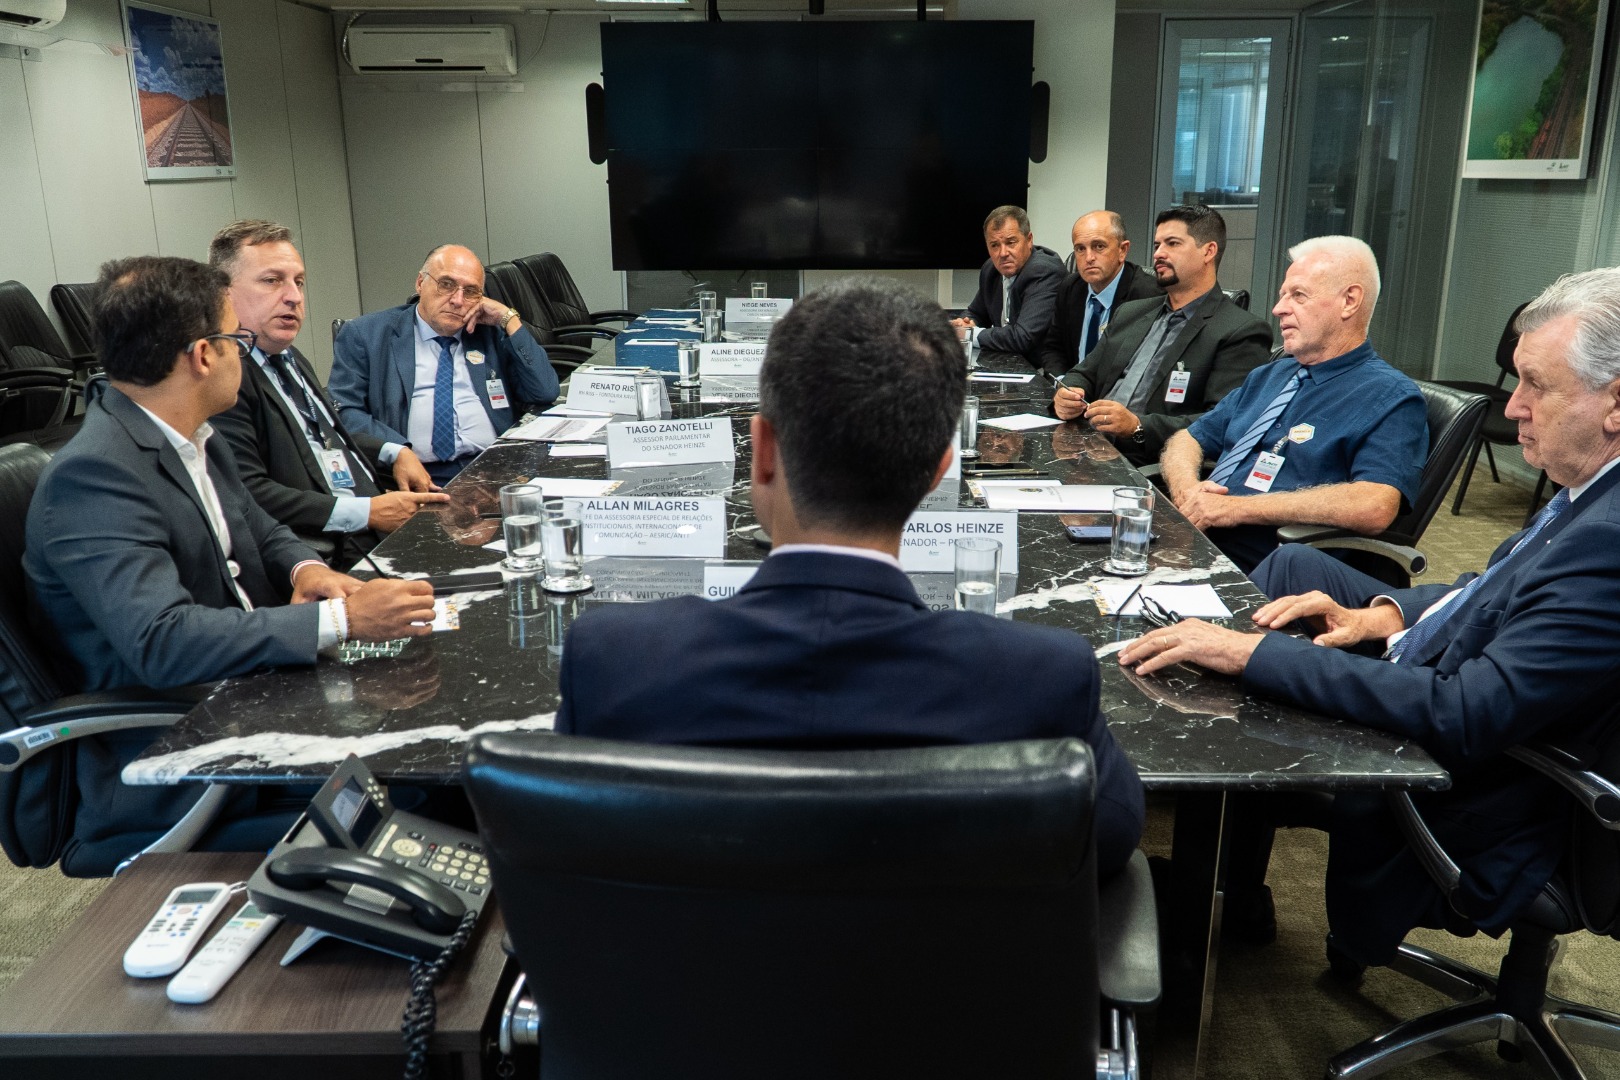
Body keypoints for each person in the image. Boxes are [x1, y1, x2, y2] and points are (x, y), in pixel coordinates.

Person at [555, 277, 1145, 878]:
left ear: (762, 450)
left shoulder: (610, 660)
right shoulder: (1042, 678)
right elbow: (1112, 838)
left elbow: (564, 862)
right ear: (938, 469)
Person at [1119, 265, 1620, 965]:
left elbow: (1466, 713)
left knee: (1258, 654)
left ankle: (1214, 880)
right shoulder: (1591, 495)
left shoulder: (1607, 538)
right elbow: (1491, 584)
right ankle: (1226, 868)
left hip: (1497, 794)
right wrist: (1384, 613)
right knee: (1294, 599)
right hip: (1473, 683)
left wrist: (1253, 657)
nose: (1512, 408)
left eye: (1535, 384)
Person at [24, 256, 436, 871]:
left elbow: (262, 529)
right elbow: (163, 642)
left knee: (428, 722)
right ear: (203, 355)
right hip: (181, 747)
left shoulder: (192, 434)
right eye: (236, 341)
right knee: (430, 780)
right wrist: (343, 624)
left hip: (252, 692)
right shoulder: (95, 477)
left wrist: (306, 572)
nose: (245, 354)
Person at [1156, 235, 1426, 573]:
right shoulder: (1272, 375)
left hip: (1262, 570)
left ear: (1349, 301)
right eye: (1283, 295)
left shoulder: (1391, 397)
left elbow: (1374, 504)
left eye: (1298, 295)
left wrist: (1233, 509)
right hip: (1192, 541)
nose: (1279, 308)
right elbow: (1189, 438)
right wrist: (1188, 492)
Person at [208, 221, 449, 567]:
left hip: (374, 531)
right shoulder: (224, 375)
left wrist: (392, 452)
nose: (293, 296)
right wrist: (366, 512)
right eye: (272, 280)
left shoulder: (287, 356)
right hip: (324, 555)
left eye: (298, 282)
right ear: (224, 293)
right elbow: (247, 492)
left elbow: (321, 438)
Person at [1050, 205, 1271, 464]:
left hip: (1146, 464)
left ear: (1208, 251)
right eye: (1157, 245)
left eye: (1172, 243)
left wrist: (1137, 426)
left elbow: (1222, 422)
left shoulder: (1240, 331)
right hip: (1085, 446)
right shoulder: (1132, 312)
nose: (1158, 254)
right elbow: (1084, 372)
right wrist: (1070, 392)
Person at [329, 244, 560, 482]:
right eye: (446, 284)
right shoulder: (366, 335)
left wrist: (508, 318)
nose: (458, 300)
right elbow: (344, 411)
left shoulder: (488, 332)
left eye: (471, 291)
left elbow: (544, 391)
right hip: (415, 477)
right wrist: (396, 450)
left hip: (495, 470)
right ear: (420, 283)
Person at [1033, 209, 1164, 378]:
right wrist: (1063, 383)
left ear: (1122, 250)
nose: (1088, 257)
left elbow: (1147, 367)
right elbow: (1053, 348)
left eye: (1099, 246)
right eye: (1080, 248)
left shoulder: (1149, 295)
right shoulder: (1071, 287)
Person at [951, 205, 1065, 366]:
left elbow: (1023, 337)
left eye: (1011, 242)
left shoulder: (1044, 271)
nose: (1003, 253)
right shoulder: (991, 269)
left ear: (1029, 240)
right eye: (994, 245)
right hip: (1005, 364)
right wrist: (967, 323)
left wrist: (969, 334)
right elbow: (976, 312)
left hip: (1039, 370)